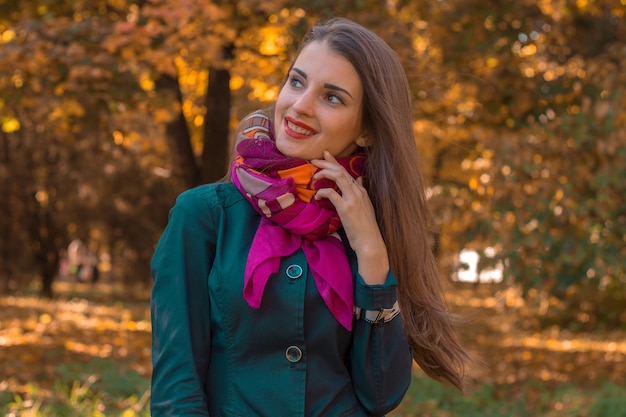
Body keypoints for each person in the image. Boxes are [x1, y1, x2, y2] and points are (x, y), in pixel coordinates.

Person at [150, 17, 472, 417]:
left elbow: (381, 394)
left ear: (368, 130)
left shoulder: (371, 226)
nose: (300, 106)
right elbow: (175, 391)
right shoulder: (204, 215)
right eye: (297, 82)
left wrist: (371, 252)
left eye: (332, 97)